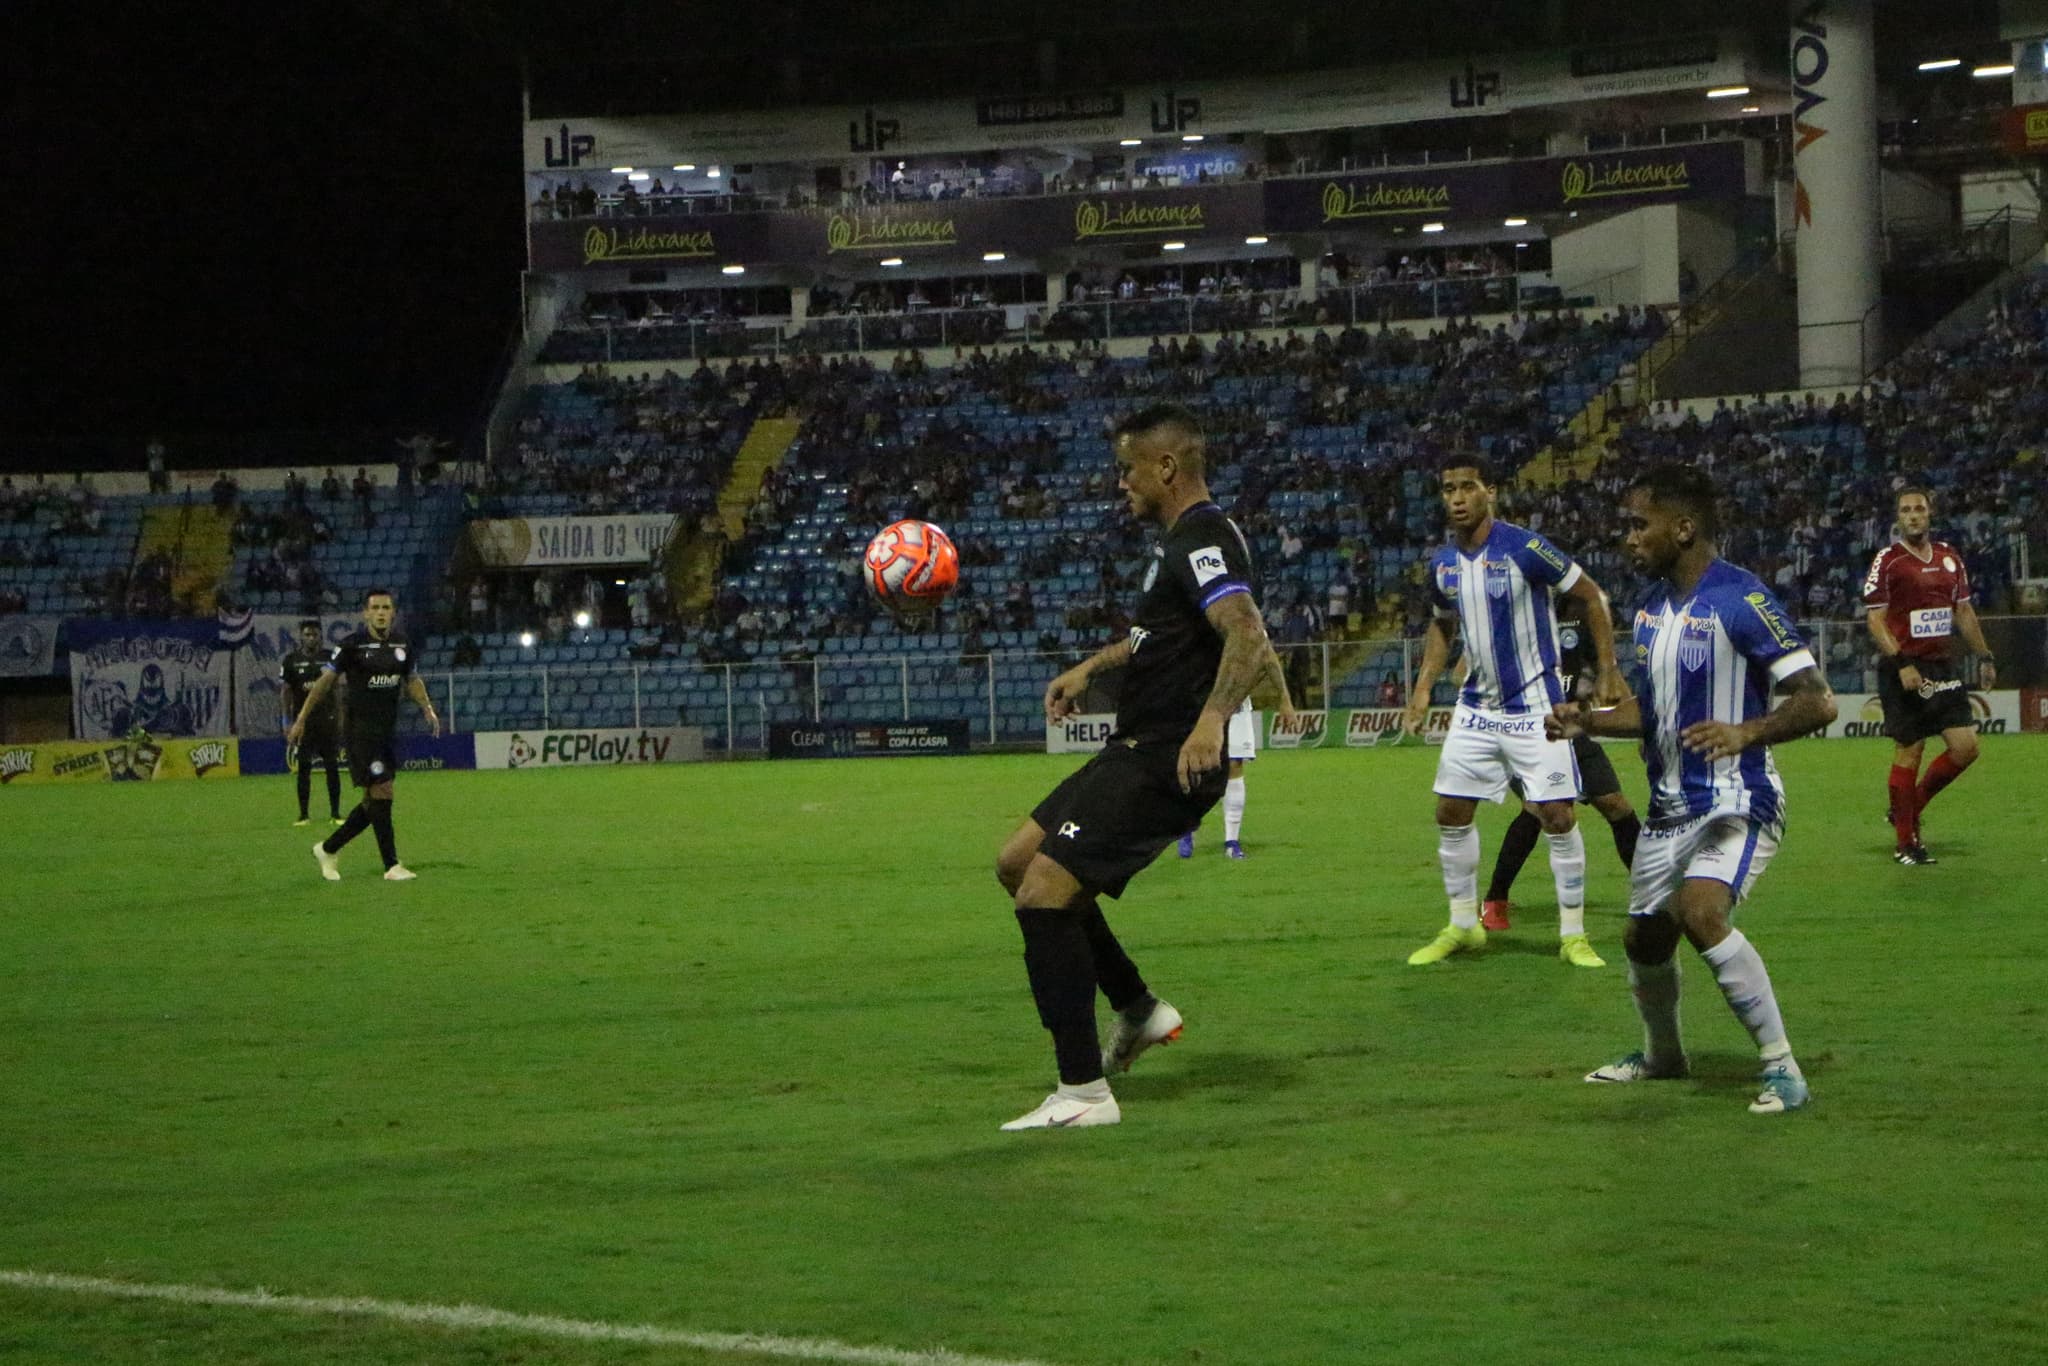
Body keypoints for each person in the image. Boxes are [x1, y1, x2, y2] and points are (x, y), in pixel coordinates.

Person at [992, 404, 1276, 1130]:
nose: (1122, 483)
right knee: (1017, 863)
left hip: (1166, 757)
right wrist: (1094, 666)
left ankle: (1083, 1093)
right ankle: (1139, 1009)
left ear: (1166, 467)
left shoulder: (1203, 536)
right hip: (1134, 746)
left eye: (1128, 469)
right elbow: (1159, 638)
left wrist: (1211, 721)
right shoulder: (1182, 542)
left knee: (1044, 893)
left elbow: (1248, 635)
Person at [1556, 464, 1836, 1115]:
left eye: (1640, 524)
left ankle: (1783, 1068)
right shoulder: (1652, 610)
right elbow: (1654, 711)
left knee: (1701, 912)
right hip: (1670, 812)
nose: (1629, 538)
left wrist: (1747, 731)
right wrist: (1587, 721)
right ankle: (1663, 1058)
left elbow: (1817, 700)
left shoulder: (1742, 599)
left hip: (1737, 799)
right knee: (1644, 941)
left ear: (1683, 528)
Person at [1402, 458, 1627, 970]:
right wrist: (1422, 689)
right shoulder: (1443, 563)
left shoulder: (1526, 548)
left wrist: (1609, 669)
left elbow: (1591, 596)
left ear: (1491, 492)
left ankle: (1573, 935)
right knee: (1450, 812)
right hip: (1476, 710)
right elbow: (1441, 625)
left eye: (1468, 487)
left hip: (1535, 711)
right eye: (1448, 489)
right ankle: (1464, 924)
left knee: (1558, 816)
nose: (1457, 497)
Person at [1481, 591, 1642, 929]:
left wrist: (1642, 727)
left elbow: (1612, 677)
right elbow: (1463, 675)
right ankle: (1495, 900)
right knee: (1538, 810)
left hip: (1571, 731)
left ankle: (1650, 893)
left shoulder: (1583, 631)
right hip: (1528, 732)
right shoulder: (1512, 626)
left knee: (1616, 806)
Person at [1862, 487, 1997, 865]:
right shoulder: (1888, 560)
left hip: (1942, 666)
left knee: (1966, 747)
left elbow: (1963, 612)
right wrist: (1902, 662)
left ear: (1929, 513)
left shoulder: (1949, 558)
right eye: (1906, 510)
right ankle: (1906, 844)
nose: (1913, 515)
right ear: (1898, 518)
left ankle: (1909, 808)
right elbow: (1875, 619)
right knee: (1911, 749)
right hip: (1904, 666)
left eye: (1919, 509)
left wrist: (1984, 656)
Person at [289, 588, 439, 882]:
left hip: (386, 732)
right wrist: (301, 719)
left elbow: (412, 679)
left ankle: (328, 849)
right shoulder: (352, 645)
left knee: (374, 801)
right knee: (383, 790)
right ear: (366, 613)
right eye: (376, 608)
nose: (381, 613)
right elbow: (323, 683)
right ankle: (391, 865)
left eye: (386, 607)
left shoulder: (402, 644)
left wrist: (427, 708)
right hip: (360, 732)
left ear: (393, 613)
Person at [279, 618, 343, 826]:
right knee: (303, 769)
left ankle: (336, 813)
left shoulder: (329, 658)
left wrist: (340, 716)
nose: (311, 638)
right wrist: (286, 720)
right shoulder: (291, 660)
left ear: (320, 636)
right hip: (303, 723)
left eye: (314, 634)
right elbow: (286, 692)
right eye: (307, 634)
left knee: (332, 767)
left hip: (327, 720)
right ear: (301, 636)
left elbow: (337, 688)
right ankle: (304, 815)